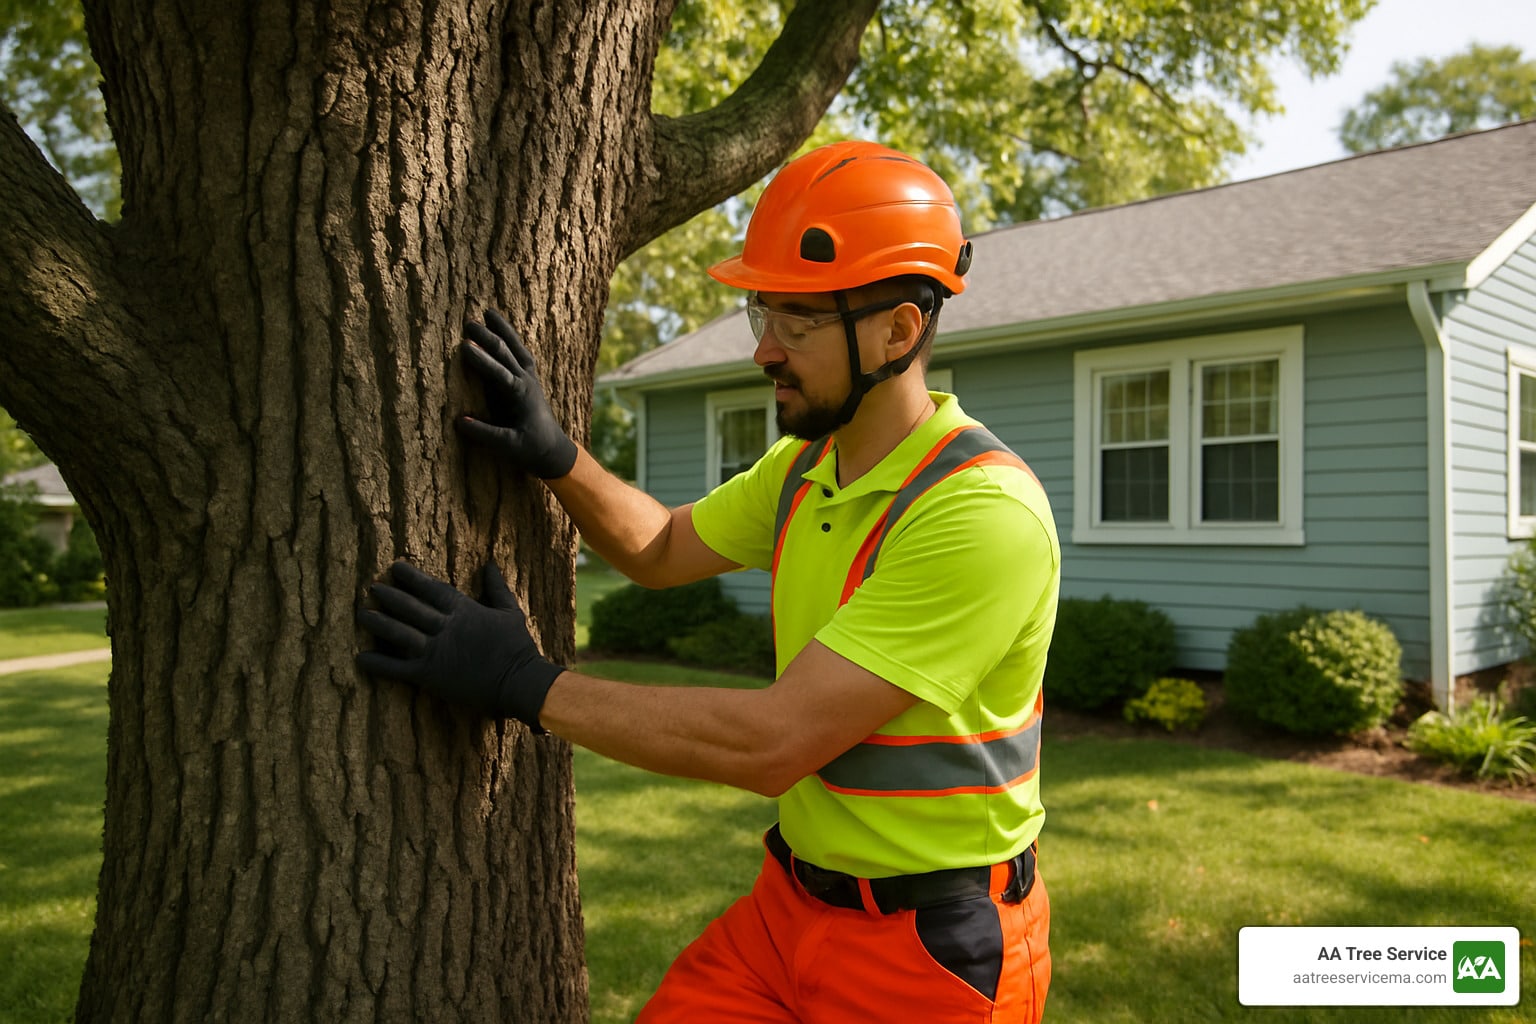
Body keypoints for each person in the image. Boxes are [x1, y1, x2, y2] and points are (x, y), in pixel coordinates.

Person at [356, 140, 1060, 1023]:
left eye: (797, 321)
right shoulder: (807, 468)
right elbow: (658, 547)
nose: (765, 349)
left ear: (899, 331)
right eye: (763, 313)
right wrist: (557, 454)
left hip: (931, 951)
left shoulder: (980, 515)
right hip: (787, 912)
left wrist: (520, 684)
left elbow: (773, 742)